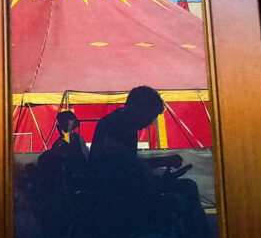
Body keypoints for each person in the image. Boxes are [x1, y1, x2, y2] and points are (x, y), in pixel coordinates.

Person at [84, 86, 211, 237]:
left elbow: (128, 162)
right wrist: (160, 164)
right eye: (150, 115)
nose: (150, 123)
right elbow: (123, 163)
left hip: (122, 187)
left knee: (186, 186)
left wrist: (159, 166)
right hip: (119, 194)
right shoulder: (117, 126)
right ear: (138, 108)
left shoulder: (118, 123)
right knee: (187, 188)